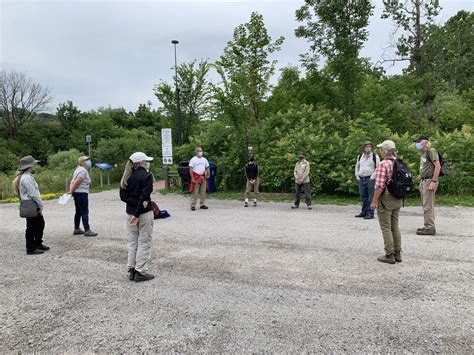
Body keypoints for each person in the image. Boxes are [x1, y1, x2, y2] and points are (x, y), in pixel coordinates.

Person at [120, 152, 155, 282]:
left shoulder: (126, 177)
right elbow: (144, 196)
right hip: (144, 213)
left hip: (129, 213)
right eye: (145, 160)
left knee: (132, 241)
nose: (147, 163)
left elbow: (123, 197)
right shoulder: (147, 176)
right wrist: (138, 211)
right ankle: (140, 271)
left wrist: (134, 209)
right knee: (144, 241)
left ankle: (132, 269)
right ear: (141, 162)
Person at [370, 140, 402, 264]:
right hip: (397, 197)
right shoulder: (398, 162)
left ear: (384, 151)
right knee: (395, 226)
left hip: (386, 198)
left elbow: (379, 186)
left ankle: (389, 254)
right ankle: (397, 252)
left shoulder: (383, 164)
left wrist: (374, 201)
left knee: (385, 227)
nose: (380, 151)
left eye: (381, 149)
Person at [13, 156, 49, 255]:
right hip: (31, 204)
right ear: (30, 166)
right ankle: (31, 248)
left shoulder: (26, 176)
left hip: (30, 203)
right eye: (34, 163)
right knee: (32, 226)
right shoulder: (27, 178)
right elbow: (33, 194)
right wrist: (40, 205)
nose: (35, 165)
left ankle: (37, 243)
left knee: (39, 224)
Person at [415, 135, 441, 235]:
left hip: (430, 180)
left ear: (425, 143)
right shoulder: (424, 153)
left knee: (428, 205)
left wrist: (433, 181)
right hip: (424, 181)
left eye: (418, 142)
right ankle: (428, 225)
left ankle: (429, 227)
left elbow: (437, 166)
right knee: (425, 204)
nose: (417, 144)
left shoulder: (431, 151)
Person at [68, 156, 98, 237]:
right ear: (82, 162)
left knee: (78, 211)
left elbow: (72, 181)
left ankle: (76, 229)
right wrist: (71, 191)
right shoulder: (83, 171)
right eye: (87, 160)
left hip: (77, 193)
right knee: (84, 212)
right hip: (82, 193)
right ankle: (87, 230)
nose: (89, 161)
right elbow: (77, 182)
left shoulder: (78, 170)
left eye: (89, 160)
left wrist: (71, 191)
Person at [354, 141, 380, 219]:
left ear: (372, 147)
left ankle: (370, 213)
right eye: (366, 146)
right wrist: (357, 175)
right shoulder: (360, 156)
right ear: (363, 147)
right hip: (361, 178)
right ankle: (364, 211)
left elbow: (378, 168)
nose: (368, 147)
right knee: (363, 196)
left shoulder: (375, 156)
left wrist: (372, 177)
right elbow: (357, 166)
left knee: (371, 197)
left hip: (370, 178)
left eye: (369, 146)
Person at [189, 147, 210, 211]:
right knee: (195, 192)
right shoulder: (193, 160)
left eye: (201, 151)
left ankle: (202, 204)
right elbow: (191, 169)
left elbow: (207, 167)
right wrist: (192, 178)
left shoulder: (204, 159)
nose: (201, 152)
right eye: (199, 151)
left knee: (203, 192)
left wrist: (208, 174)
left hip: (203, 177)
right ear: (196, 152)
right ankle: (193, 205)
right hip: (196, 177)